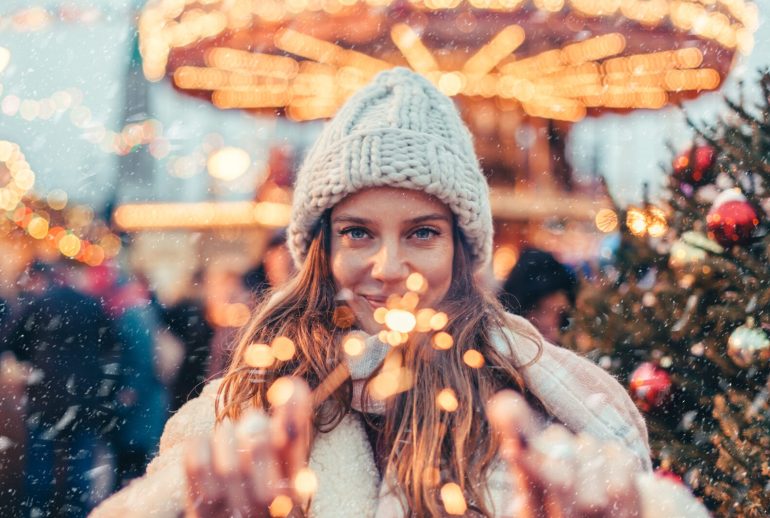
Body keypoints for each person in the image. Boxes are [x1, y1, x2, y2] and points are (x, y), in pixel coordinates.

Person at [92, 68, 707, 517]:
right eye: (358, 232)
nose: (388, 267)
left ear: (462, 253)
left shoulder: (552, 409)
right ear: (322, 249)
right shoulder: (240, 410)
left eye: (421, 233)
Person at [499, 248, 577, 344]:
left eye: (560, 312)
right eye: (540, 310)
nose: (548, 322)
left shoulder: (569, 345)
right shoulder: (501, 342)